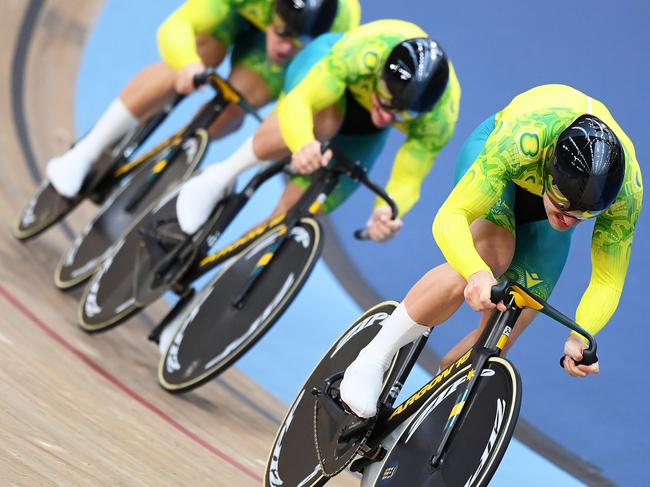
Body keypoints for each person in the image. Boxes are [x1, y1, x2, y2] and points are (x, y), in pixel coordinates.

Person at [340, 84, 644, 418]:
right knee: (492, 256)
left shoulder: (626, 193)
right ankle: (373, 357)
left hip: (541, 201)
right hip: (500, 162)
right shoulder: (524, 141)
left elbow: (607, 281)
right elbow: (450, 217)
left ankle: (430, 408)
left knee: (508, 325)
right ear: (550, 171)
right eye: (565, 205)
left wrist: (580, 336)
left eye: (585, 215)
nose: (571, 219)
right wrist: (476, 273)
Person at [174, 19, 461, 242]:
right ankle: (220, 176)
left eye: (403, 114)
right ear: (381, 72)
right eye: (385, 99)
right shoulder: (368, 50)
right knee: (324, 123)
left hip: (361, 134)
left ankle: (227, 280)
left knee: (294, 215)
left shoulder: (440, 118)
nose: (386, 117)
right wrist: (302, 143)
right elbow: (302, 100)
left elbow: (408, 177)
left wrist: (386, 212)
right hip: (323, 75)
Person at [46, 0, 360, 198]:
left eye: (296, 41)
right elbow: (178, 25)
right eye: (282, 34)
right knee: (199, 51)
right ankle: (85, 152)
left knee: (242, 97)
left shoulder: (343, 24)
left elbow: (303, 95)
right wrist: (187, 64)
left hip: (290, 61)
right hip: (238, 12)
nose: (284, 47)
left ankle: (183, 149)